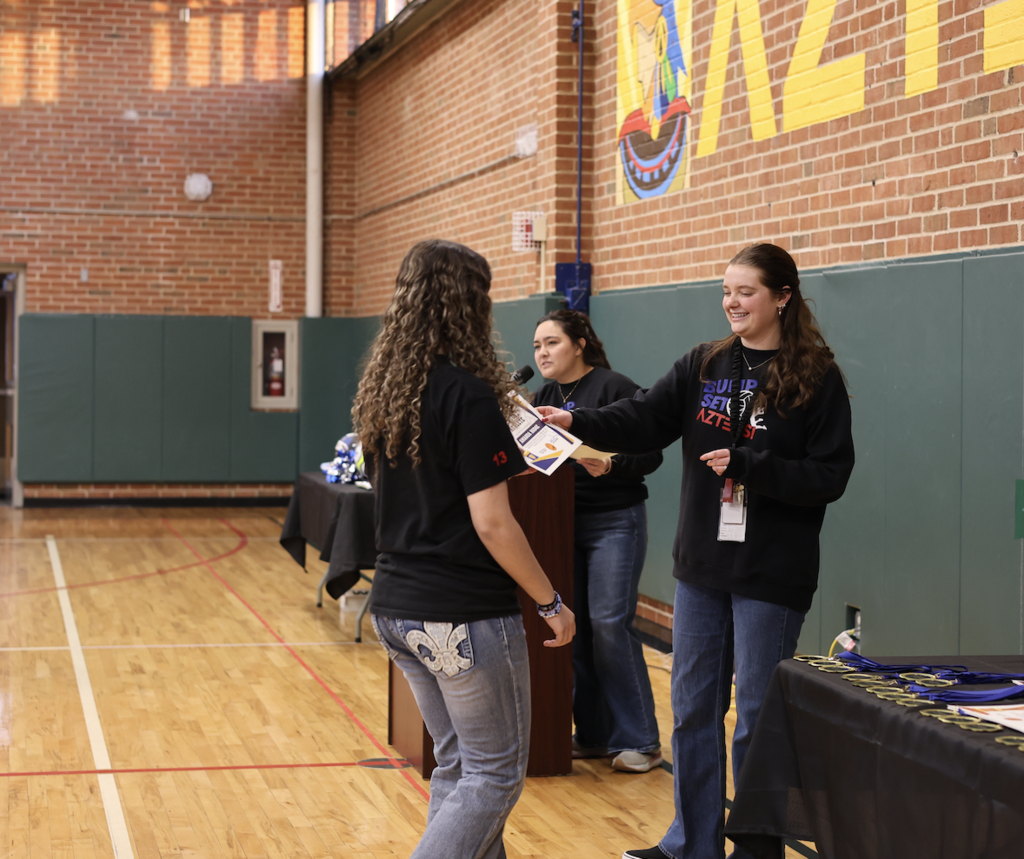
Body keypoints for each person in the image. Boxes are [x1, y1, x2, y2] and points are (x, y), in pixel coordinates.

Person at [538, 244, 854, 859]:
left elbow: (830, 476)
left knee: (758, 716)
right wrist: (578, 423)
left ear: (783, 297)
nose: (732, 303)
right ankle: (692, 843)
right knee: (692, 711)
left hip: (771, 570)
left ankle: (758, 848)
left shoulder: (817, 375)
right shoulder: (704, 364)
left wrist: (750, 466)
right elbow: (643, 419)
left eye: (746, 292)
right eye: (726, 291)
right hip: (702, 566)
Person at [354, 239, 575, 859]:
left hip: (397, 607)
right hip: (461, 613)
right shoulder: (469, 394)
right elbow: (493, 524)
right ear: (466, 305)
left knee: (457, 768)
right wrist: (551, 601)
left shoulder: (385, 393)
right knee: (493, 777)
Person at [531, 310, 664, 773]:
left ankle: (641, 740)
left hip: (614, 521)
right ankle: (591, 735)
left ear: (580, 343)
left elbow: (650, 452)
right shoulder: (543, 396)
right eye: (537, 347)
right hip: (561, 523)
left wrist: (610, 466)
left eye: (552, 343)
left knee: (609, 624)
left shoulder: (615, 387)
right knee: (576, 630)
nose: (543, 353)